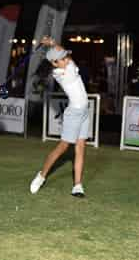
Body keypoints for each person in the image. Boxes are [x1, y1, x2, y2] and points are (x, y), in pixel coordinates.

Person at [30, 36, 89, 197]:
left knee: (81, 147)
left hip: (84, 111)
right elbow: (68, 58)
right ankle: (41, 176)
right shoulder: (64, 74)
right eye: (62, 59)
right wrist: (53, 43)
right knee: (62, 147)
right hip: (74, 114)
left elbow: (64, 55)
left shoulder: (64, 65)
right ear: (55, 64)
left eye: (64, 57)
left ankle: (77, 186)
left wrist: (52, 44)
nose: (66, 59)